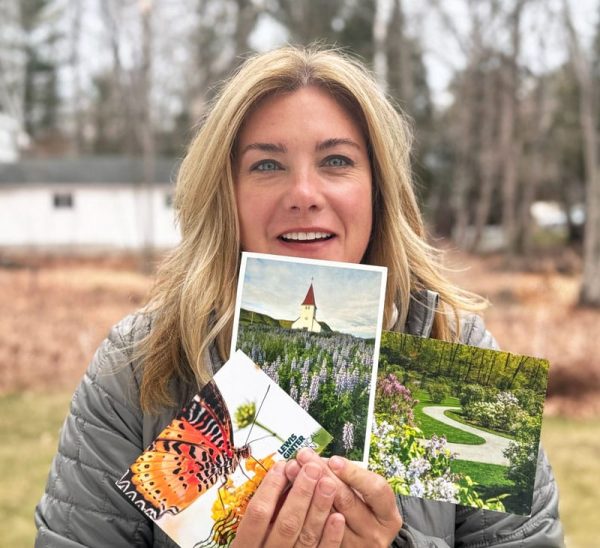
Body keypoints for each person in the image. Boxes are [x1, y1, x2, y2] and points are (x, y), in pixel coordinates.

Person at [35, 45, 564, 547]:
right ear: (226, 194)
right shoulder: (145, 364)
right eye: (267, 165)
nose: (304, 195)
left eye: (336, 161)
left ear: (379, 189)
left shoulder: (449, 347)